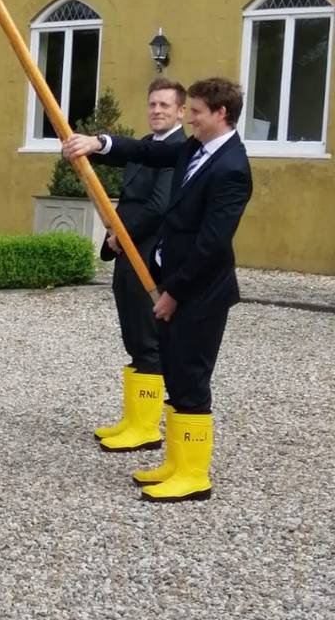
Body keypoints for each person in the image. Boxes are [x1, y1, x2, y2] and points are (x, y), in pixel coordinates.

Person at [63, 77, 252, 502]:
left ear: (221, 114)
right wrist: (98, 143)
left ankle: (194, 475)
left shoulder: (232, 168)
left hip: (200, 293)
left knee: (191, 378)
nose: (191, 118)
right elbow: (150, 150)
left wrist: (174, 292)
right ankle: (174, 461)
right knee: (174, 371)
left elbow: (211, 244)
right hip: (176, 283)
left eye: (197, 112)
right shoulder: (196, 150)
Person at [93, 78, 187, 453]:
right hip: (126, 252)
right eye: (152, 104)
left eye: (165, 105)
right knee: (133, 334)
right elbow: (128, 199)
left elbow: (158, 206)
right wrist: (114, 239)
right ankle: (134, 418)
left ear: (180, 110)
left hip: (148, 254)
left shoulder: (178, 150)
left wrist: (123, 236)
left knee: (148, 338)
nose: (157, 111)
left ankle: (147, 428)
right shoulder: (144, 147)